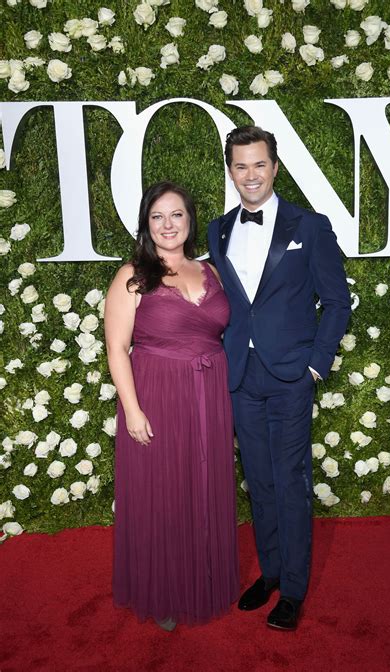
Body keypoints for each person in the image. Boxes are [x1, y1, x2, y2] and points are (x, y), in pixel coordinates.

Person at [208, 126, 351, 631]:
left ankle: (292, 589)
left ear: (275, 166)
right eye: (241, 166)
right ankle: (269, 573)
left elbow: (337, 301)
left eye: (259, 164)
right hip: (242, 376)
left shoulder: (310, 226)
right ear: (231, 171)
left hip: (291, 375)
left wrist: (317, 363)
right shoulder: (218, 229)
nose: (251, 174)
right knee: (261, 483)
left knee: (290, 483)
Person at [105, 181, 239, 630]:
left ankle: (201, 576)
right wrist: (133, 410)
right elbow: (116, 349)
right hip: (157, 394)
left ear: (189, 220)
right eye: (158, 216)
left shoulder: (212, 272)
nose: (167, 224)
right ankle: (163, 590)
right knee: (162, 492)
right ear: (146, 223)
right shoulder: (132, 276)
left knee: (203, 485)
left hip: (209, 395)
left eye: (176, 215)